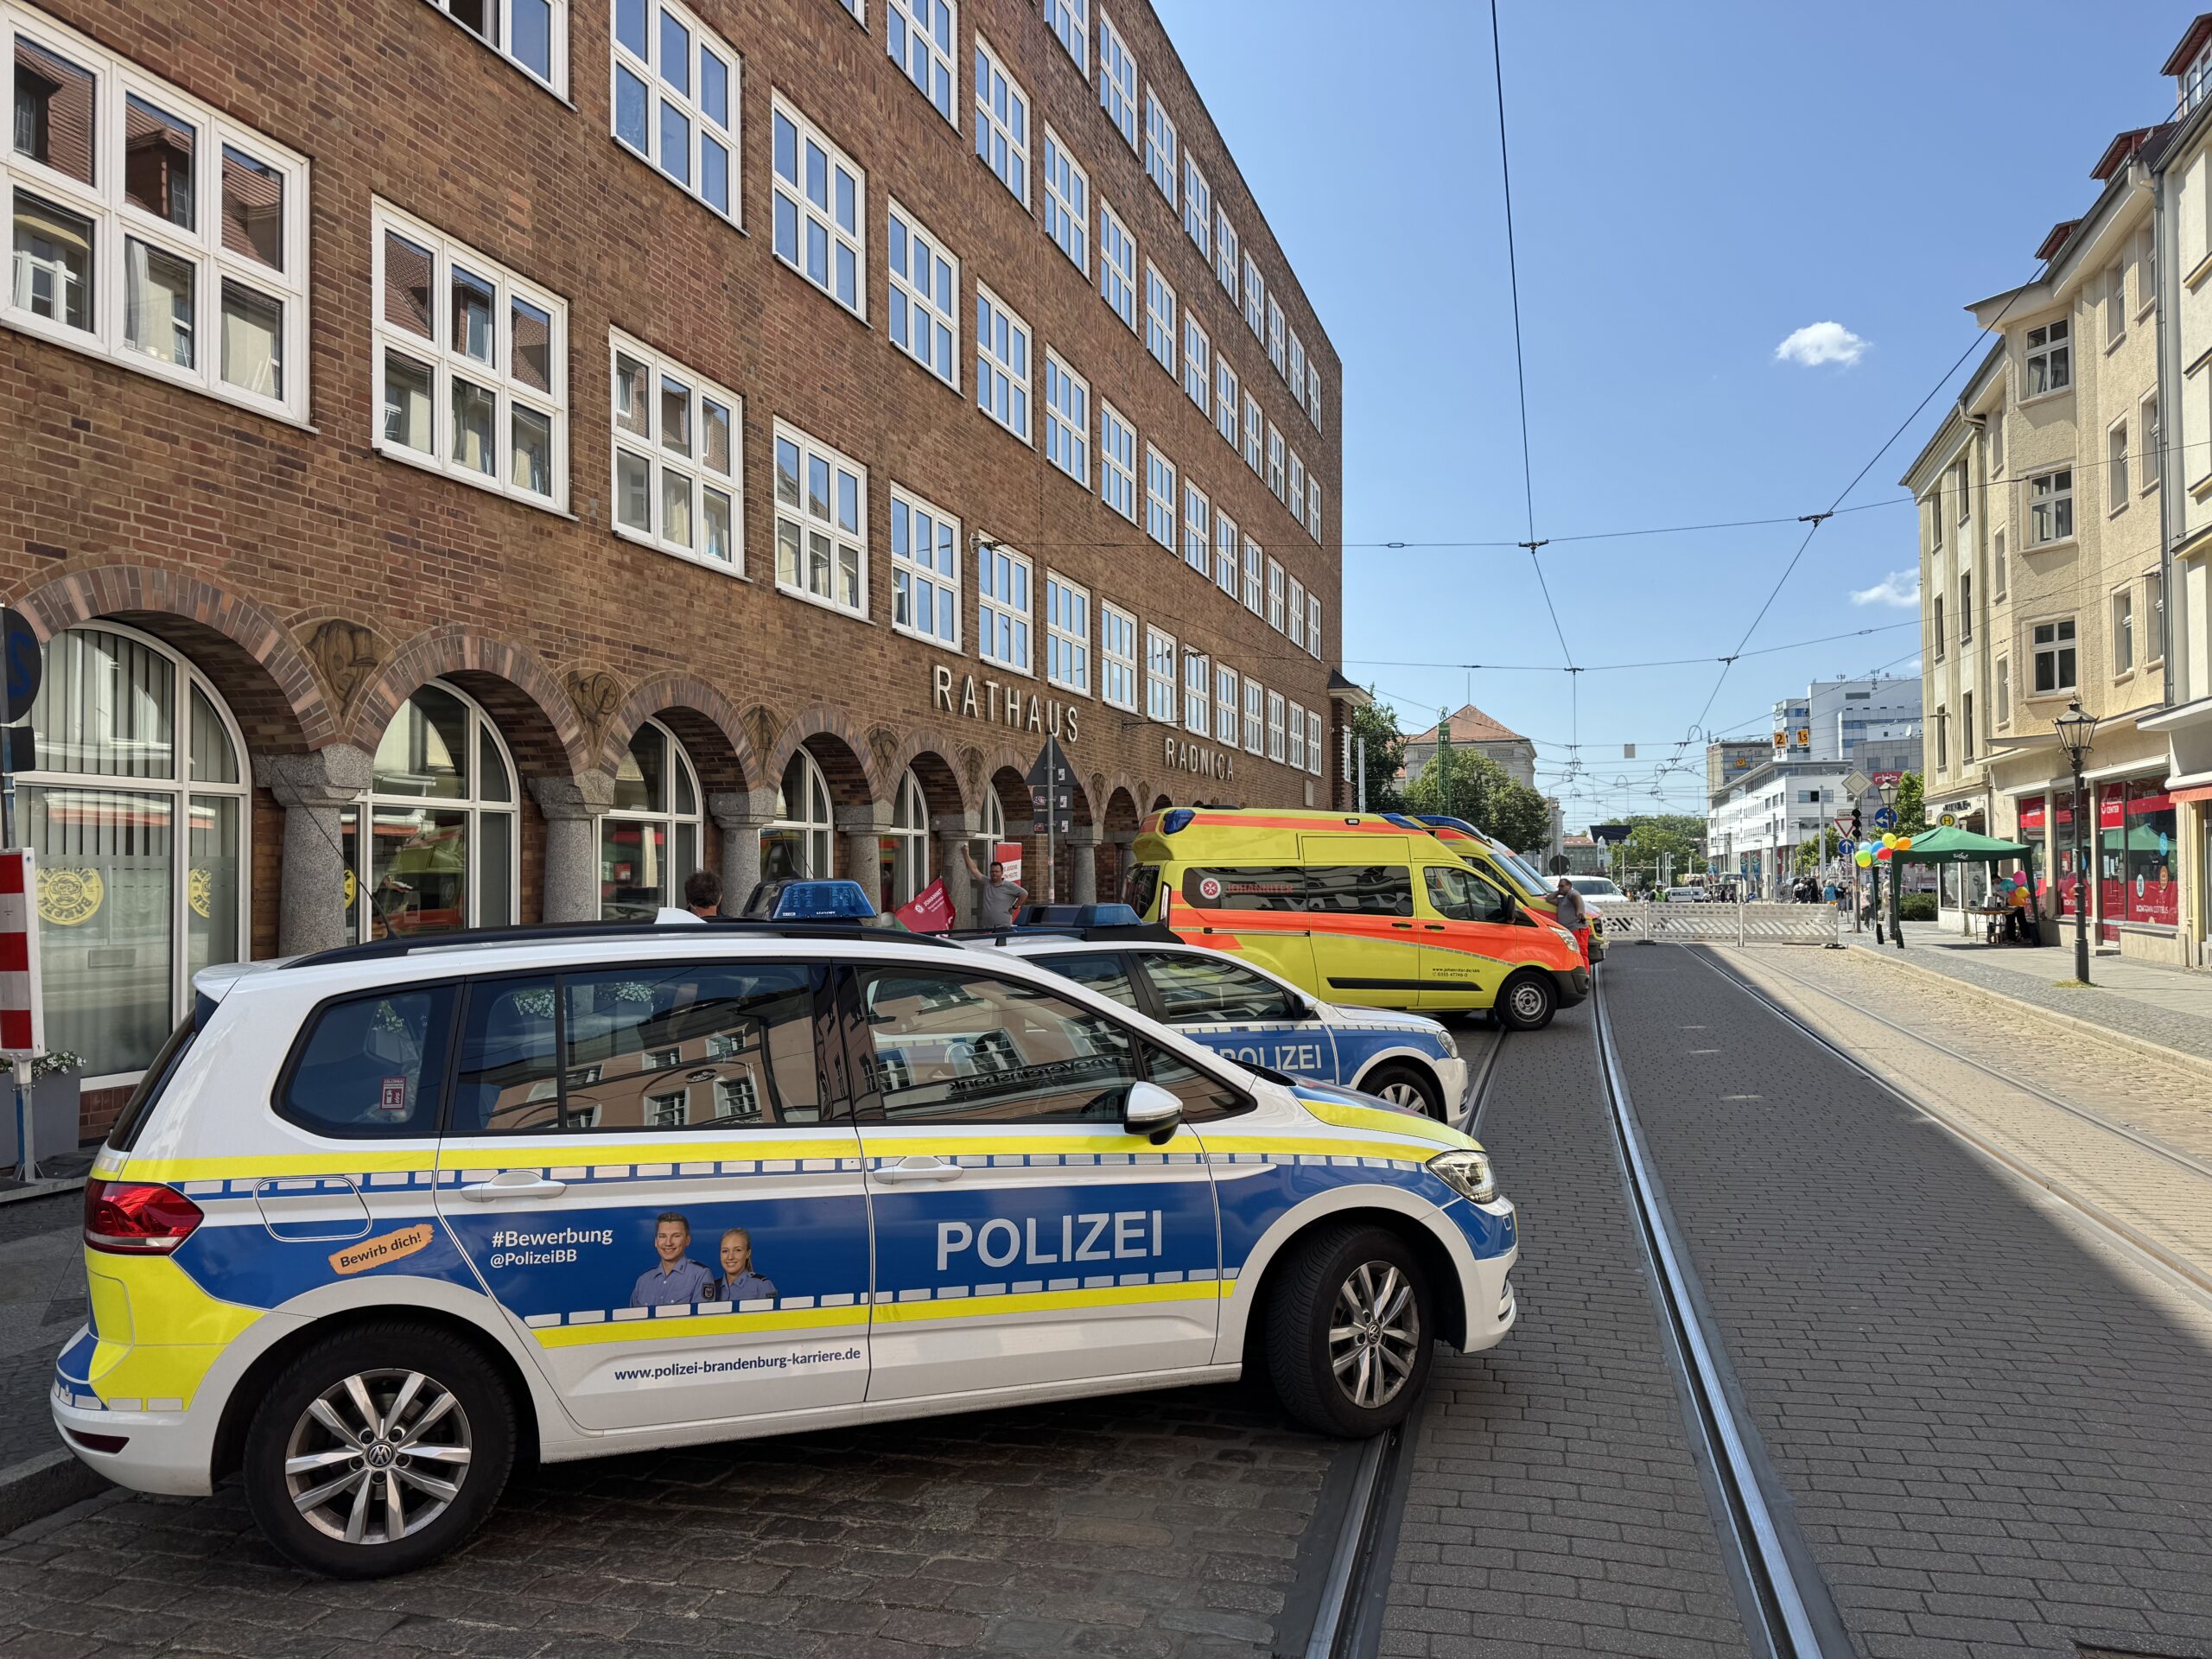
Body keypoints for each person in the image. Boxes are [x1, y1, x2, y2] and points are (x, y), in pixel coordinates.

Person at [630, 1212, 717, 1307]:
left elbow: (702, 1316)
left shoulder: (701, 1275)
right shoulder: (643, 1281)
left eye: (676, 1236)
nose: (668, 1243)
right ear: (656, 1241)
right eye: (662, 1236)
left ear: (687, 1240)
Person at [960, 843, 1027, 931]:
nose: (994, 874)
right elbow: (974, 869)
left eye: (997, 871)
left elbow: (1024, 894)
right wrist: (966, 854)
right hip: (987, 927)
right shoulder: (987, 882)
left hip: (1003, 927)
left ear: (1002, 873)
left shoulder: (1009, 885)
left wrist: (1014, 908)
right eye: (992, 872)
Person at [714, 1227, 779, 1303]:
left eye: (738, 1250)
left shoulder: (762, 1285)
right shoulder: (713, 1287)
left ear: (748, 1253)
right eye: (725, 1251)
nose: (730, 1257)